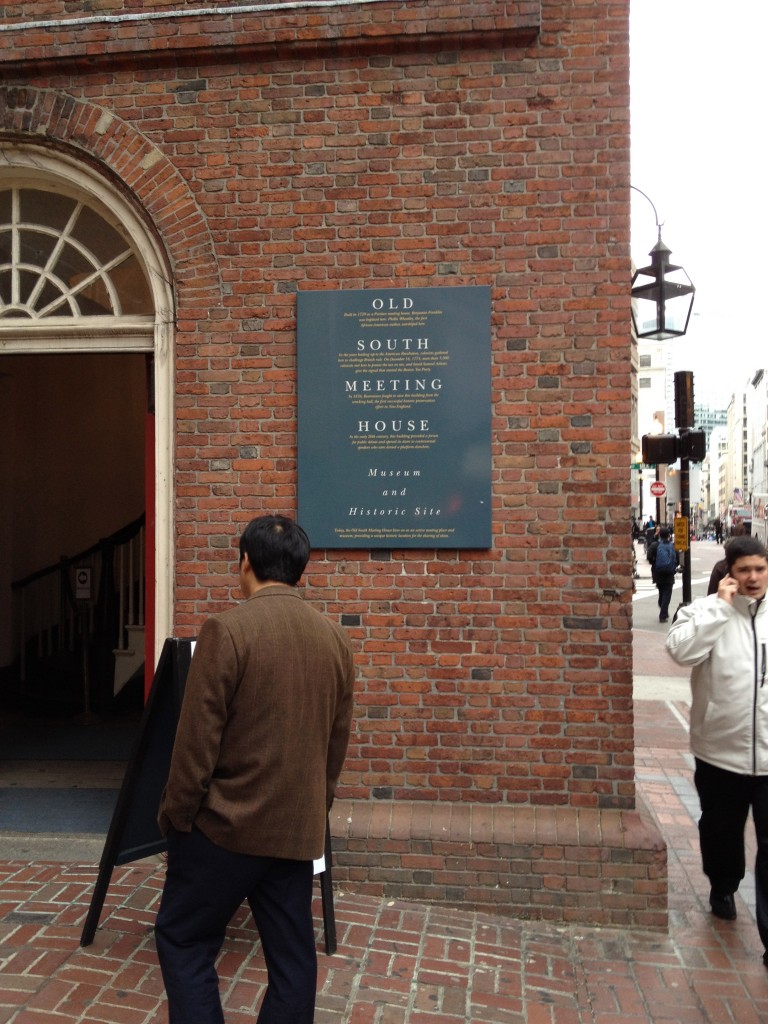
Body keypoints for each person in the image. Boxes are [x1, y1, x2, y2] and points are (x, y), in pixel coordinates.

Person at [155, 515, 356, 1023]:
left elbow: (195, 744)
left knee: (183, 938)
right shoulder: (335, 640)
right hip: (296, 831)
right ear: (300, 569)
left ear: (245, 560)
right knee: (293, 962)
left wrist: (178, 818)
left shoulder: (227, 630)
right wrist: (316, 806)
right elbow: (336, 743)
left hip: (226, 827)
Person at [665, 536, 768, 966]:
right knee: (722, 830)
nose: (753, 578)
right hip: (719, 750)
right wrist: (721, 610)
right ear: (729, 572)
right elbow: (679, 651)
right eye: (744, 569)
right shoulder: (705, 611)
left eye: (760, 569)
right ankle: (723, 884)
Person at [648, 525, 678, 622]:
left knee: (661, 591)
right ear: (669, 535)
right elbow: (676, 559)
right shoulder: (672, 546)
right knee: (667, 594)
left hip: (658, 573)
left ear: (659, 534)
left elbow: (649, 557)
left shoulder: (655, 545)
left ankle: (662, 606)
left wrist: (654, 562)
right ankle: (663, 614)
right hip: (669, 573)